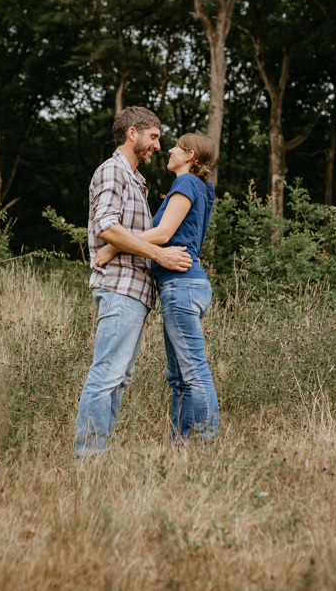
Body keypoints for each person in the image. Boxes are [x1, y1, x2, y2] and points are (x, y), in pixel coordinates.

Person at [74, 107, 193, 457]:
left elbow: (122, 233)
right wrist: (160, 256)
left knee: (118, 378)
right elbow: (106, 226)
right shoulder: (113, 171)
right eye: (153, 137)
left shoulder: (134, 178)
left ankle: (97, 455)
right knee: (107, 375)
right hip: (120, 288)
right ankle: (88, 459)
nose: (158, 145)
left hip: (135, 292)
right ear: (133, 134)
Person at [96, 132, 219, 443]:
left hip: (181, 284)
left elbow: (163, 233)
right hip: (186, 284)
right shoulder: (203, 188)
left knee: (193, 373)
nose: (169, 150)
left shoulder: (188, 182)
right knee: (179, 377)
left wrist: (113, 247)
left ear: (190, 155)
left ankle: (205, 446)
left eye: (176, 146)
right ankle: (181, 446)